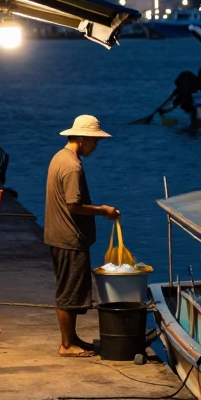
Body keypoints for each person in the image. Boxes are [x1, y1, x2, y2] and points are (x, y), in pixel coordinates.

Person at [44, 114, 120, 357]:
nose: (95, 146)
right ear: (81, 138)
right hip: (69, 238)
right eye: (93, 141)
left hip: (58, 235)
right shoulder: (72, 166)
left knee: (71, 289)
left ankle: (72, 338)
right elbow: (73, 205)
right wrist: (103, 210)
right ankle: (67, 345)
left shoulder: (59, 157)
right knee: (69, 292)